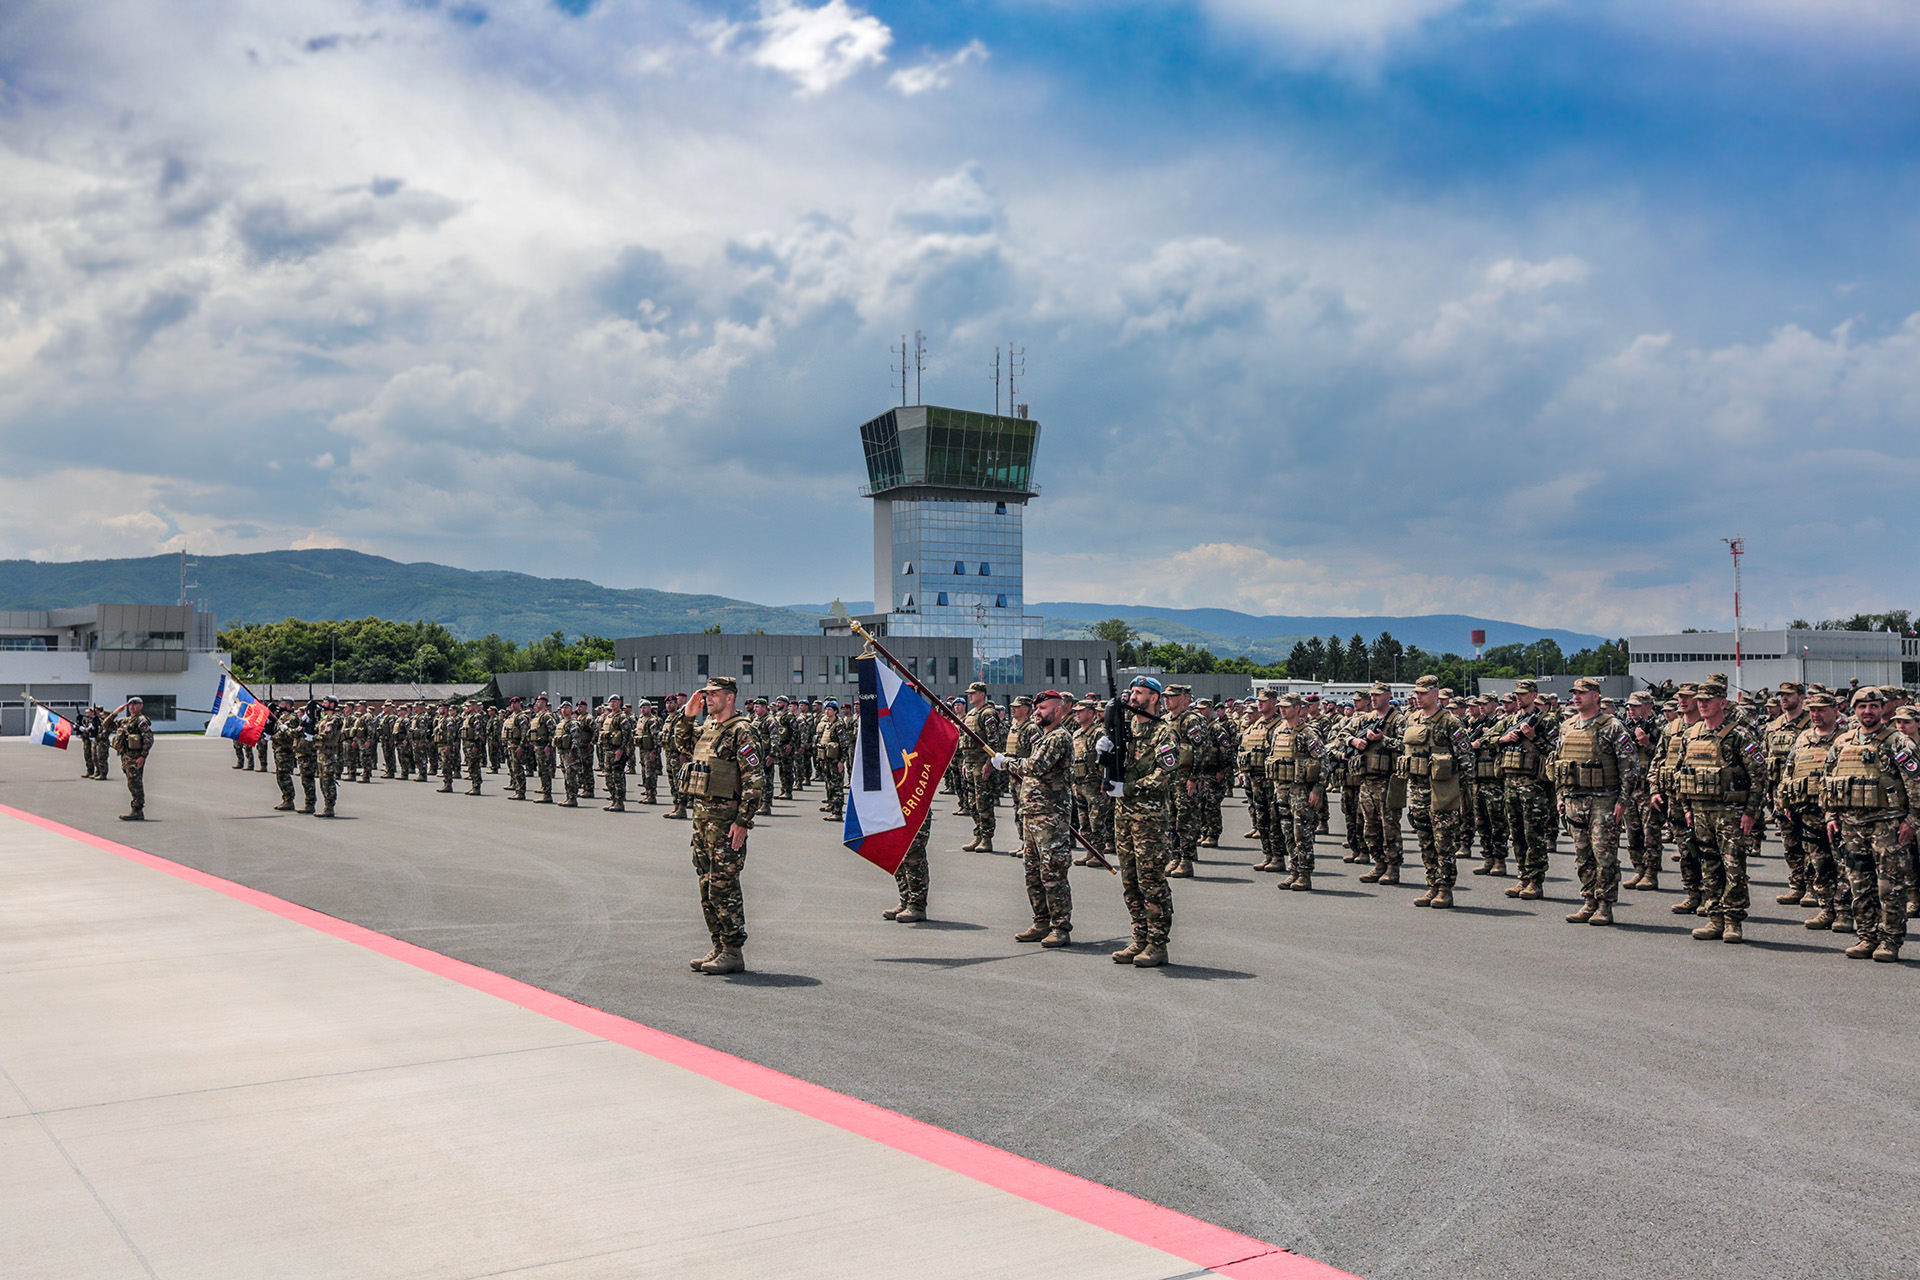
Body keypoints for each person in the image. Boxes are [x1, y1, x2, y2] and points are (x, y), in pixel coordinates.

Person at [672, 676, 766, 975]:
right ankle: (719, 945)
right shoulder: (709, 728)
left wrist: (743, 821)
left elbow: (754, 780)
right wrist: (687, 717)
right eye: (706, 694)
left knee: (723, 886)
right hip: (703, 820)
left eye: (714, 694)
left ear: (730, 697)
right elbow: (682, 744)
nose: (708, 699)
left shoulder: (742, 731)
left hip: (726, 822)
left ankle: (733, 951)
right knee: (706, 885)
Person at [1822, 688, 1914, 962]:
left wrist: (1913, 820)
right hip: (1851, 827)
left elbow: (1916, 783)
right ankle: (1867, 936)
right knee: (1859, 885)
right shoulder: (1842, 742)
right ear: (1854, 710)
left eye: (1873, 706)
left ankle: (1890, 941)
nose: (1868, 711)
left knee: (1890, 887)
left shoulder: (1898, 742)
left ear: (1882, 709)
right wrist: (1831, 815)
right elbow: (1828, 781)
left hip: (1888, 826)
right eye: (1862, 706)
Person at [1673, 676, 1765, 943]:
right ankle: (1714, 918)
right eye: (1700, 700)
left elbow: (1759, 776)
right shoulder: (1691, 735)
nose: (1702, 705)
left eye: (1708, 700)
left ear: (1722, 703)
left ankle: (1733, 921)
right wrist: (1686, 807)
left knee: (1733, 866)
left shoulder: (1739, 735)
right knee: (1709, 864)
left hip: (1730, 812)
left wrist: (1751, 812)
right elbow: (1682, 773)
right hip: (1700, 810)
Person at [1104, 675, 1185, 968]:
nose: (1133, 696)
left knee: (1151, 881)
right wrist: (1103, 755)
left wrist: (1129, 788)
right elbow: (1114, 769)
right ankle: (1139, 937)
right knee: (1130, 880)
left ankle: (1157, 944)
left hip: (1149, 818)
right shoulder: (1125, 729)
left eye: (1139, 692)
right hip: (1124, 815)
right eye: (1132, 691)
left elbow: (1164, 775)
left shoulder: (1164, 733)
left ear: (1154, 698)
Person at [991, 689, 1077, 947]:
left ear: (1058, 710)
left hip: (1051, 817)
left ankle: (1060, 927)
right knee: (1033, 873)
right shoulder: (1044, 737)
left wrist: (1005, 762)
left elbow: (1035, 766)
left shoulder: (1058, 737)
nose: (1038, 712)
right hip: (1033, 814)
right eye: (1037, 708)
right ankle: (1041, 922)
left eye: (1043, 708)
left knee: (1053, 873)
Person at [1551, 677, 1637, 926]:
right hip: (1574, 799)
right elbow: (1558, 763)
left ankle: (1604, 905)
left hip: (1604, 800)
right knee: (1583, 855)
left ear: (1596, 696)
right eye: (1574, 693)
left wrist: (1622, 800)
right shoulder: (1567, 726)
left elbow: (1630, 766)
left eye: (1582, 693)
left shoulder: (1612, 727)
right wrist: (1560, 795)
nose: (1576, 697)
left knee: (1604, 854)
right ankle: (1589, 901)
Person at [1400, 675, 1470, 909]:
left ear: (1434, 694)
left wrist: (1458, 793)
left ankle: (1445, 890)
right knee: (1425, 842)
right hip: (1418, 791)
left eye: (1422, 693)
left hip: (1442, 792)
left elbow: (1466, 759)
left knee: (1444, 843)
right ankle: (1431, 885)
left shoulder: (1450, 722)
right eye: (1416, 693)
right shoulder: (1412, 719)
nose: (1418, 697)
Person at [1267, 693, 1327, 891]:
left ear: (1297, 709)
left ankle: (1304, 875)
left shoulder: (1307, 733)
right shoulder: (1279, 731)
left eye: (1287, 707)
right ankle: (1293, 871)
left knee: (1302, 834)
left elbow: (1323, 761)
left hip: (1301, 791)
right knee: (1288, 833)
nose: (1282, 710)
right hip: (1282, 789)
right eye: (1281, 706)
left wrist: (1317, 790)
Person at [960, 683, 1006, 853]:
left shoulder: (988, 714)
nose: (970, 696)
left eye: (973, 693)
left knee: (983, 802)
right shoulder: (971, 714)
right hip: (970, 762)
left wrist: (988, 763)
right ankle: (978, 835)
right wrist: (965, 762)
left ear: (982, 694)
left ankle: (987, 838)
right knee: (972, 802)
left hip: (981, 764)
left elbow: (994, 741)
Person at [113, 697, 154, 821]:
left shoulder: (141, 721)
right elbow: (106, 725)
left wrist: (143, 756)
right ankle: (136, 809)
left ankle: (137, 810)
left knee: (136, 784)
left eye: (135, 704)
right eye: (130, 704)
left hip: (135, 757)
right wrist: (115, 713)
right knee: (131, 783)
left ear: (141, 706)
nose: (132, 706)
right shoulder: (125, 721)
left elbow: (148, 739)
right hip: (126, 757)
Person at [600, 696, 632, 811]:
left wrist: (621, 749)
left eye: (615, 702)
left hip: (617, 750)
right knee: (608, 777)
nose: (612, 704)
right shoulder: (608, 717)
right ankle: (613, 799)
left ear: (620, 703)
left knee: (617, 777)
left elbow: (627, 734)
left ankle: (619, 802)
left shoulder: (621, 717)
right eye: (611, 702)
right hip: (608, 750)